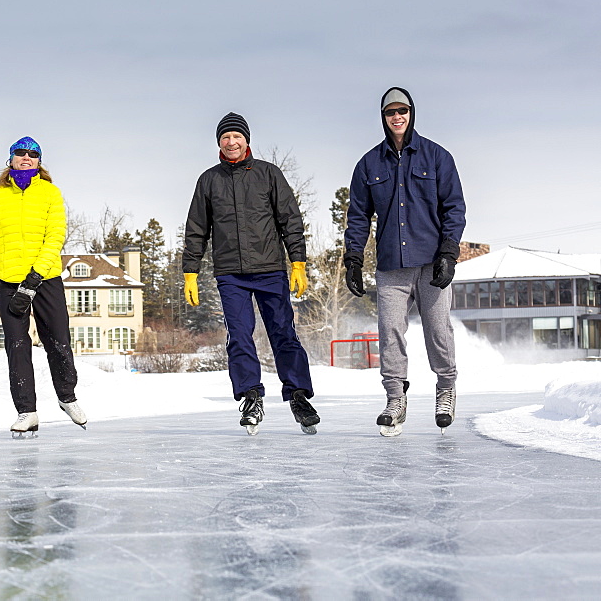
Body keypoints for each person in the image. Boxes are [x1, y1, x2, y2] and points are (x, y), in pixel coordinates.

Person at [183, 112, 320, 436]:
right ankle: (250, 395)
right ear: (219, 142)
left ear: (246, 140)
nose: (231, 142)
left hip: (270, 268)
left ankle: (298, 394)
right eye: (225, 137)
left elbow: (291, 220)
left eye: (236, 136)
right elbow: (196, 230)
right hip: (231, 273)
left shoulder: (268, 174)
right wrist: (190, 270)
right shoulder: (209, 180)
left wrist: (298, 263)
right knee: (240, 336)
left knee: (283, 333)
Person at [343, 87, 466, 436]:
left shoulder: (437, 157)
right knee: (390, 331)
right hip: (391, 265)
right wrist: (353, 258)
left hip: (431, 263)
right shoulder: (369, 164)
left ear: (412, 113)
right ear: (383, 118)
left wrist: (448, 253)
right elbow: (358, 216)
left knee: (438, 328)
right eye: (390, 112)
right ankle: (395, 398)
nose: (397, 117)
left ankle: (445, 388)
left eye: (403, 111)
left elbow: (454, 208)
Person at [0, 136, 87, 437]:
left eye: (32, 154)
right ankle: (26, 411)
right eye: (20, 153)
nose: (26, 157)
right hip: (9, 279)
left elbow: (55, 237)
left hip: (46, 279)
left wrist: (35, 277)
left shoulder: (51, 193)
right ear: (11, 159)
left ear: (40, 161)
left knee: (58, 341)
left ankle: (67, 398)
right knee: (16, 346)